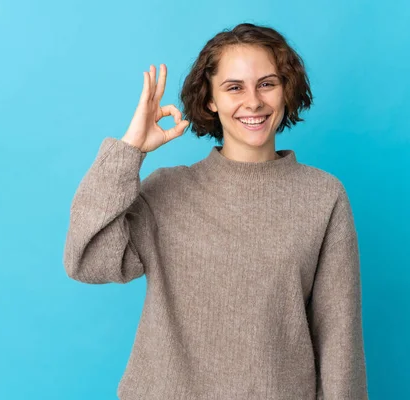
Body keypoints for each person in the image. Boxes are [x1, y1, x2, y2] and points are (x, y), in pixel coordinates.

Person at [63, 22, 368, 399]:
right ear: (210, 99)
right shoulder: (168, 189)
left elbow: (339, 337)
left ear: (286, 91)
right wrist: (130, 151)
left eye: (267, 84)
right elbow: (88, 260)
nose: (253, 102)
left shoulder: (323, 196)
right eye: (234, 87)